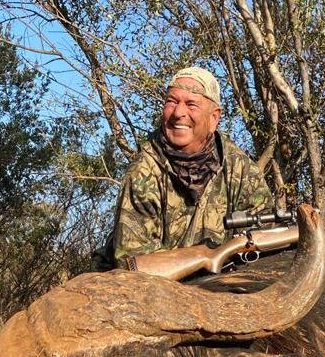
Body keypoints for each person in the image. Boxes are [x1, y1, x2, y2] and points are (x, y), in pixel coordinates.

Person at [96, 66, 273, 270]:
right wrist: (202, 257)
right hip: (148, 294)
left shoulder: (241, 170)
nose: (179, 113)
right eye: (172, 101)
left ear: (214, 118)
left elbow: (263, 251)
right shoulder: (143, 171)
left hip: (221, 288)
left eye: (191, 104)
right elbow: (133, 265)